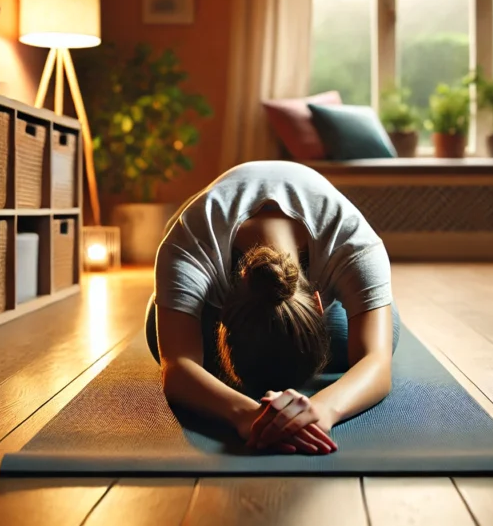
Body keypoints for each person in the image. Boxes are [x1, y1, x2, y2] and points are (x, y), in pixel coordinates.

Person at [146, 160, 401, 455]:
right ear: (222, 316)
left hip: (321, 280)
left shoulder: (354, 243)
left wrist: (322, 411)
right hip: (207, 286)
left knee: (374, 338)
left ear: (320, 306)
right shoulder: (190, 240)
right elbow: (178, 366)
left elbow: (377, 363)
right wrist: (245, 414)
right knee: (163, 344)